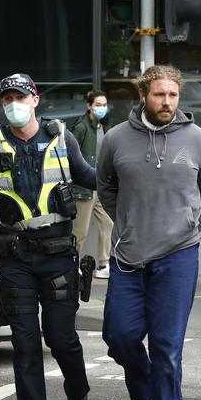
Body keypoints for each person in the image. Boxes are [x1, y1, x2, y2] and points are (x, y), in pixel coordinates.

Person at [97, 64, 201, 400]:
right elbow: (106, 187)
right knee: (119, 336)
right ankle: (148, 395)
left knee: (167, 347)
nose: (166, 102)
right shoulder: (115, 139)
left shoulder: (197, 139)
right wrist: (130, 225)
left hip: (178, 256)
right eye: (159, 95)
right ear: (143, 96)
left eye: (172, 95)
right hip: (129, 256)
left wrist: (188, 226)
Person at [0, 73, 96, 400]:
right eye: (6, 98)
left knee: (61, 338)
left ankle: (78, 397)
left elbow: (90, 175)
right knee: (24, 345)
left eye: (19, 97)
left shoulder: (60, 136)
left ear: (35, 99)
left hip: (56, 256)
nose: (13, 104)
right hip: (16, 258)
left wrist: (125, 177)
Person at [71, 90, 114, 279]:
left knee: (108, 222)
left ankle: (103, 264)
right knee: (80, 231)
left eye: (104, 105)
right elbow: (70, 155)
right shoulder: (81, 127)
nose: (101, 108)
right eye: (98, 105)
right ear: (89, 106)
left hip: (100, 184)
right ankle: (71, 264)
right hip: (84, 188)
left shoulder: (101, 126)